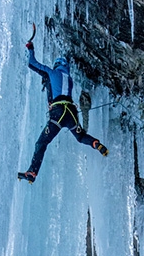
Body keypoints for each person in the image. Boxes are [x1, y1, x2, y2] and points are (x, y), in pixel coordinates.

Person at [18, 42, 109, 183]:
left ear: (56, 65)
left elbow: (32, 63)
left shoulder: (52, 73)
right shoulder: (70, 79)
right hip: (71, 112)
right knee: (80, 136)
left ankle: (32, 172)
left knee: (41, 143)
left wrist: (30, 48)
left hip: (58, 112)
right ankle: (96, 144)